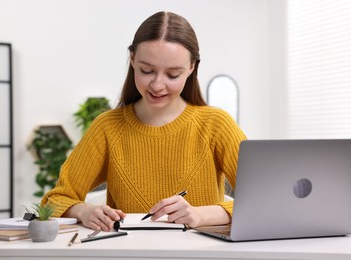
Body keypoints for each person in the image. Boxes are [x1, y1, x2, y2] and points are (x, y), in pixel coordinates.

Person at [41, 11, 247, 232]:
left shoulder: (216, 125)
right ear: (132, 60)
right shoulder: (107, 128)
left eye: (172, 75)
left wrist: (200, 214)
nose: (157, 85)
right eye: (146, 70)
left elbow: (266, 199)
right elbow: (54, 200)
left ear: (191, 67)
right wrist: (84, 210)